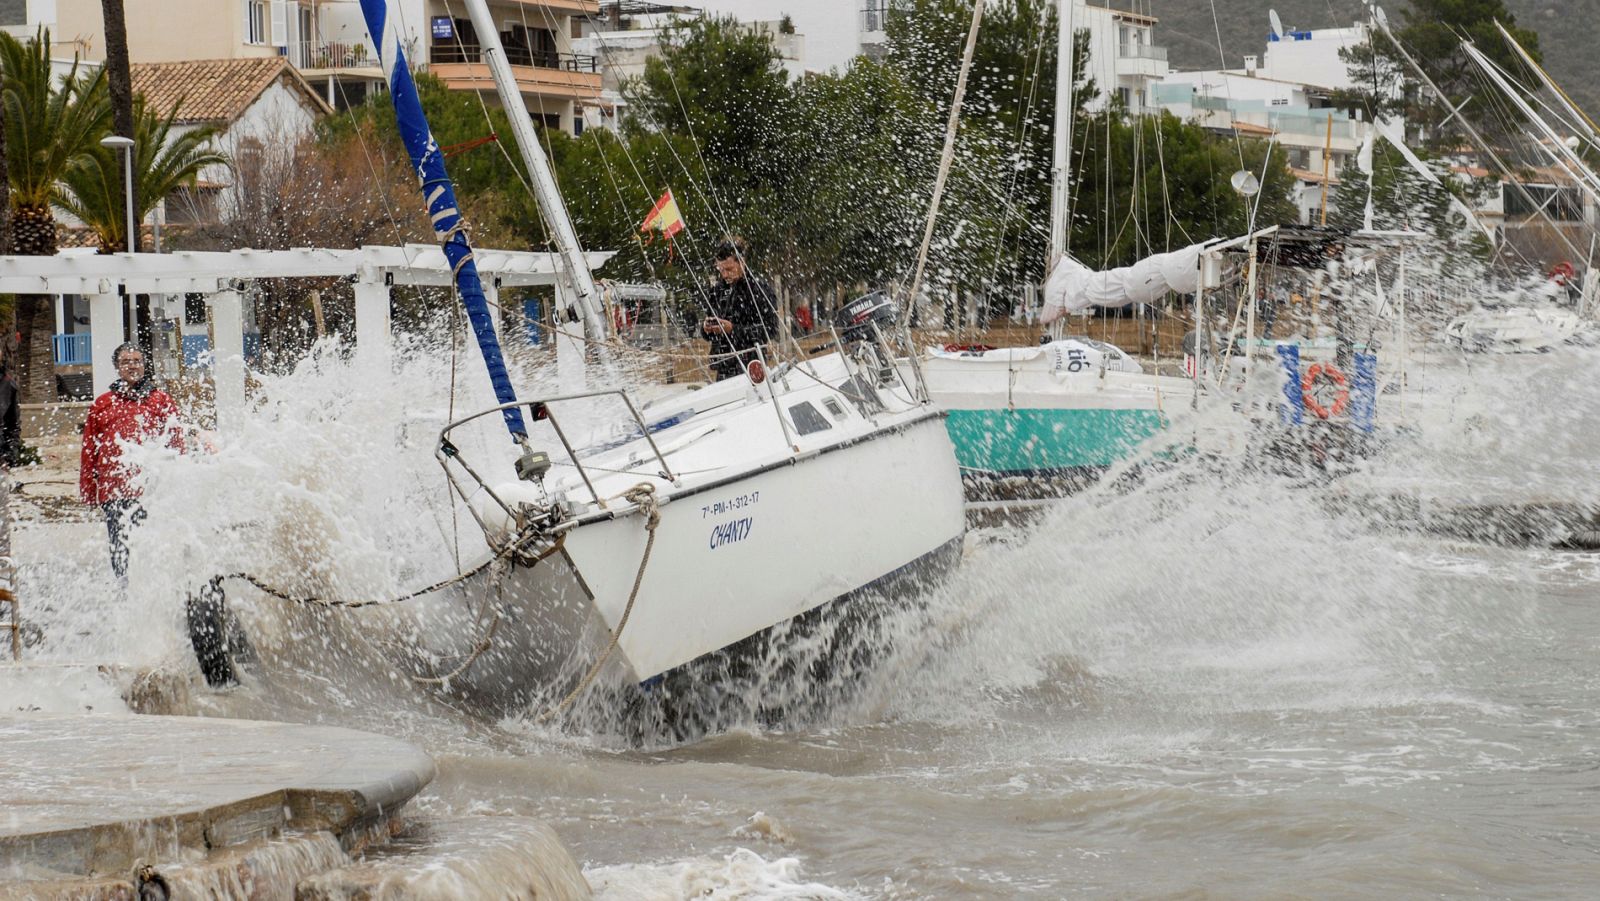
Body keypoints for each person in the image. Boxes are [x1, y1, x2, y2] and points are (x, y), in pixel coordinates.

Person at [79, 343, 182, 582]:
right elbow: (89, 449)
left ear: (144, 366)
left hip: (150, 489)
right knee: (119, 544)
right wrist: (88, 489)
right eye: (126, 362)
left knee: (150, 540)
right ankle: (124, 590)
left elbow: (176, 442)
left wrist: (177, 478)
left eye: (137, 361)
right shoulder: (102, 404)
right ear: (117, 367)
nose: (132, 366)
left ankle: (151, 586)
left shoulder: (161, 401)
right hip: (113, 489)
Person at [699, 237, 778, 381]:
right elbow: (708, 333)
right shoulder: (716, 291)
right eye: (721, 270)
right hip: (723, 366)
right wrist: (706, 328)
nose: (725, 274)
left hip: (752, 364)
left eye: (729, 269)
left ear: (742, 262)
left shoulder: (759, 289)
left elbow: (771, 329)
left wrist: (733, 329)